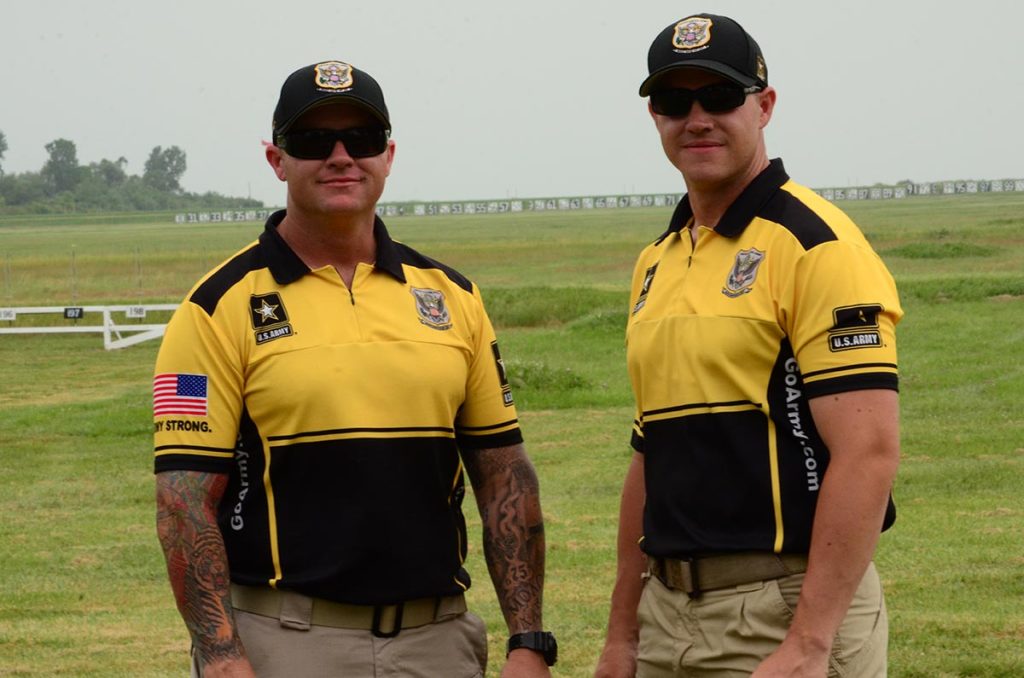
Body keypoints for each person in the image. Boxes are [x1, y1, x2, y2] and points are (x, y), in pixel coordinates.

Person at [154, 60, 557, 677]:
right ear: (276, 159)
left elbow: (504, 475)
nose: (341, 157)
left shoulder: (454, 298)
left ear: (388, 155)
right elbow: (182, 501)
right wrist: (220, 654)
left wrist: (528, 640)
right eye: (314, 141)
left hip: (438, 642)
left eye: (361, 140)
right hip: (286, 643)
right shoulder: (212, 308)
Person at [595, 14, 902, 678]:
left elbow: (869, 451)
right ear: (655, 117)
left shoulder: (818, 245)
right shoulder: (659, 260)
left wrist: (810, 641)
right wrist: (622, 632)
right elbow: (652, 448)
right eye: (676, 102)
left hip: (782, 612)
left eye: (721, 97)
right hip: (668, 614)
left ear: (764, 106)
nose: (697, 117)